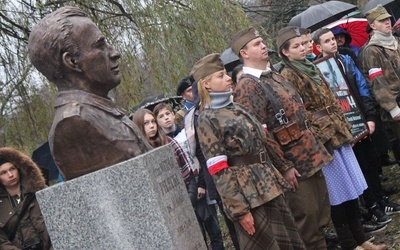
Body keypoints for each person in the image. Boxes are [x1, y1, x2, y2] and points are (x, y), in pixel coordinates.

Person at [275, 26, 385, 250]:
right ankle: (348, 242)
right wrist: (319, 131)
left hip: (336, 130)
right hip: (320, 138)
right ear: (285, 52)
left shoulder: (312, 66)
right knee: (336, 193)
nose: (303, 48)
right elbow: (298, 111)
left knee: (350, 186)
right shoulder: (288, 75)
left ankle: (361, 238)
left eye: (304, 43)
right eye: (296, 46)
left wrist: (343, 124)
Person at [231, 27, 333, 249]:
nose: (263, 45)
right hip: (293, 163)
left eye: (262, 41)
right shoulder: (247, 86)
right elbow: (259, 133)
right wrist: (284, 166)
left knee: (320, 217)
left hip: (309, 154)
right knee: (306, 223)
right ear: (244, 53)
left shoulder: (272, 75)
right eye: (256, 44)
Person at [192, 53, 305, 250]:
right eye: (221, 76)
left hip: (268, 184)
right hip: (248, 195)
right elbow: (218, 169)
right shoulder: (206, 119)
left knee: (289, 242)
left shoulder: (236, 107)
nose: (228, 78)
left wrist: (282, 168)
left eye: (226, 74)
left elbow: (263, 141)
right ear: (206, 84)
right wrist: (239, 210)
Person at [27, 6, 151, 180]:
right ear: (72, 61)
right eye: (100, 45)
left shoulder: (101, 110)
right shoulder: (73, 124)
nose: (115, 53)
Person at [314, 27, 400, 225]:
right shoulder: (318, 69)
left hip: (361, 117)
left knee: (372, 162)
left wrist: (369, 116)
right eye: (327, 41)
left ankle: (382, 199)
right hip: (344, 126)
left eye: (334, 39)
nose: (333, 43)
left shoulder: (346, 59)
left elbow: (362, 87)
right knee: (359, 167)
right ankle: (372, 206)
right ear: (318, 46)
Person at [131, 109, 225, 250]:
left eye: (152, 122)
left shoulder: (168, 142)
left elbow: (187, 171)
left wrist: (190, 199)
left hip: (188, 199)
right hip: (168, 210)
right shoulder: (136, 152)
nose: (151, 126)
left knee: (211, 233)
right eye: (146, 123)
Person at [0, 147, 53, 249]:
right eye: (3, 173)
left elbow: (59, 220)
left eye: (12, 169)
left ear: (19, 168)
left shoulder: (41, 191)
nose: (10, 175)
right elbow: (1, 242)